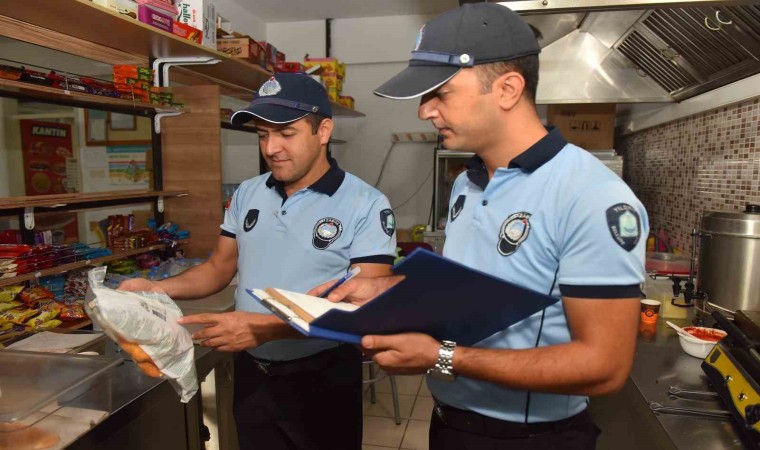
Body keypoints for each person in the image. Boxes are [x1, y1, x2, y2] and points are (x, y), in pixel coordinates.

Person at [311, 4, 648, 449]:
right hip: (450, 424)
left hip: (530, 439)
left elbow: (604, 367)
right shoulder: (467, 184)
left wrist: (443, 357)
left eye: (440, 93)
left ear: (507, 89)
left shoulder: (591, 195)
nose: (424, 111)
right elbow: (467, 292)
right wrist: (384, 289)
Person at [119, 73, 397, 450]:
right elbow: (219, 267)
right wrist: (156, 288)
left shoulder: (366, 203)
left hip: (323, 376)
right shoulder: (248, 193)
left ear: (323, 131)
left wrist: (266, 329)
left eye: (286, 133)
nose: (271, 148)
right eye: (263, 135)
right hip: (252, 373)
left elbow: (365, 310)